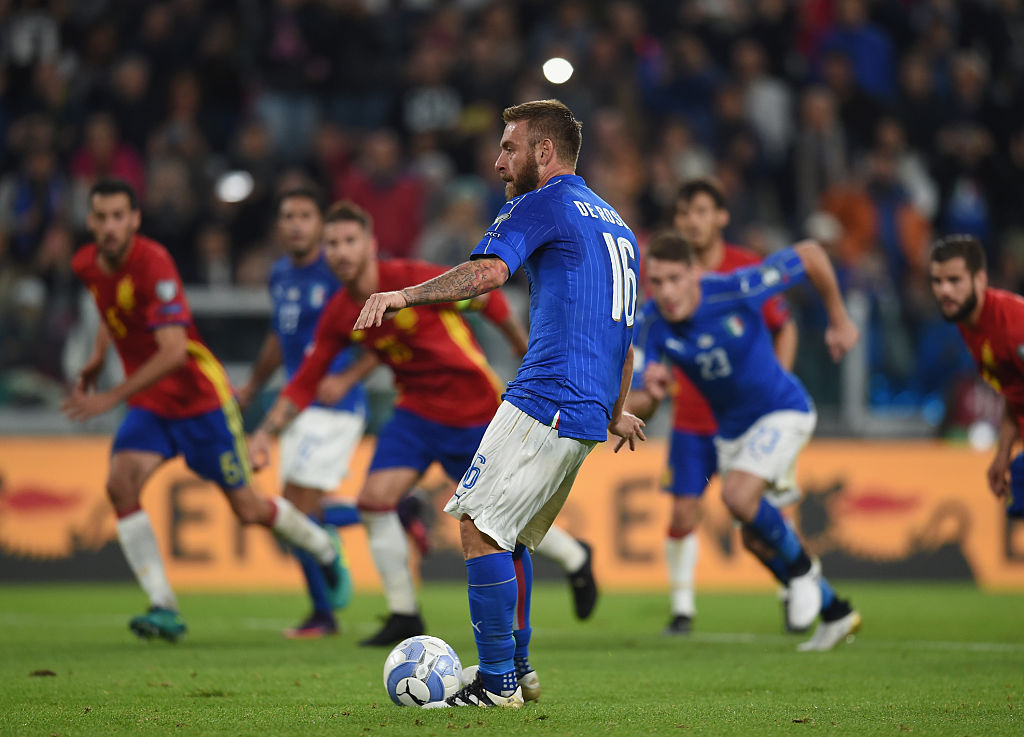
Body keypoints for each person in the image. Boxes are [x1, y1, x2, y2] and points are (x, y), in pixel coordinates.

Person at [354, 99, 646, 708]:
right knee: (507, 535)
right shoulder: (615, 223)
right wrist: (615, 408)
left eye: (509, 148)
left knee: (480, 529)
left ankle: (496, 684)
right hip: (586, 407)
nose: (497, 162)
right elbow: (624, 336)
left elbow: (487, 274)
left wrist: (404, 294)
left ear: (544, 151)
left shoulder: (543, 202)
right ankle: (517, 667)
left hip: (548, 396)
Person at [249, 199, 591, 650]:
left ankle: (575, 557)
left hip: (471, 409)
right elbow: (305, 382)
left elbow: (486, 300)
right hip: (414, 412)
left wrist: (521, 346)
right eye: (332, 244)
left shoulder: (410, 279)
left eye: (350, 241)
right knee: (374, 501)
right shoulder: (338, 312)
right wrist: (264, 432)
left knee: (497, 520)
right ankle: (404, 614)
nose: (341, 252)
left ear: (371, 246)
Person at [63, 178, 344, 642]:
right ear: (90, 221)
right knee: (120, 483)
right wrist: (98, 353)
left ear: (135, 220)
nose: (110, 227)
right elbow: (110, 305)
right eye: (101, 217)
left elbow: (174, 351)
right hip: (153, 406)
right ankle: (163, 606)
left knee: (249, 508)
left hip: (199, 402)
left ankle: (321, 546)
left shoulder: (154, 264)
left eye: (119, 216)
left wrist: (111, 395)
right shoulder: (86, 263)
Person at [626, 230, 862, 652]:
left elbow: (809, 253)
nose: (666, 292)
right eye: (656, 282)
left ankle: (804, 573)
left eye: (675, 279)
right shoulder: (649, 324)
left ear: (695, 274)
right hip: (731, 433)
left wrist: (839, 318)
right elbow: (639, 406)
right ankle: (836, 612)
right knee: (755, 538)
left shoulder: (735, 289)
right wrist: (651, 392)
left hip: (783, 411)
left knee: (736, 496)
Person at [238, 187, 405, 639]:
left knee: (291, 509)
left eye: (305, 215)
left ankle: (323, 611)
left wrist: (349, 378)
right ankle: (402, 511)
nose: (295, 223)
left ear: (319, 226)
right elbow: (280, 337)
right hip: (296, 404)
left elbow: (384, 333)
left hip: (334, 407)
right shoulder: (280, 275)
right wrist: (254, 385)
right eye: (287, 215)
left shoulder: (337, 273)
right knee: (294, 517)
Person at [658, 177, 798, 635]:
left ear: (721, 216)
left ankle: (792, 592)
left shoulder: (744, 268)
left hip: (753, 417)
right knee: (682, 513)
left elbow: (784, 326)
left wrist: (776, 384)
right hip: (693, 419)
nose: (691, 221)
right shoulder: (665, 276)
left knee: (770, 510)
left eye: (700, 211)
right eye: (683, 213)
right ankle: (682, 610)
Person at [929, 234, 1024, 518]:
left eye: (955, 280)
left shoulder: (1013, 328)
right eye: (937, 281)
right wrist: (1003, 453)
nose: (945, 290)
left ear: (980, 279)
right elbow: (1015, 391)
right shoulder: (969, 322)